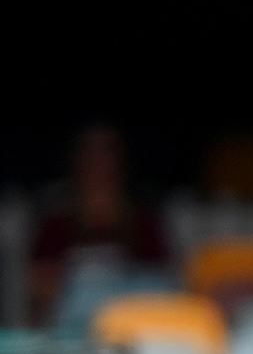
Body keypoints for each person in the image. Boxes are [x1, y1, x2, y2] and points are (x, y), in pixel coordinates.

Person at [30, 122, 168, 327]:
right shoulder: (56, 223)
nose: (98, 161)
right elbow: (39, 293)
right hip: (72, 328)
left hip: (129, 327)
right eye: (89, 151)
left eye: (106, 151)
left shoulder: (143, 221)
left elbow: (162, 287)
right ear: (75, 160)